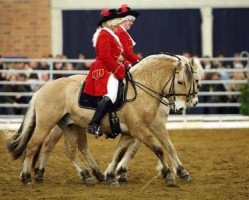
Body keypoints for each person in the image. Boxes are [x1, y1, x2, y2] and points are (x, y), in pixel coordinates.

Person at [84, 8, 130, 136]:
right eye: (117, 24)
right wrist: (118, 68)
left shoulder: (111, 35)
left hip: (111, 66)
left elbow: (117, 55)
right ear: (111, 23)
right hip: (104, 69)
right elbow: (105, 56)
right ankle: (94, 124)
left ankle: (113, 122)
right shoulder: (104, 34)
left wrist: (126, 65)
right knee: (112, 95)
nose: (118, 26)